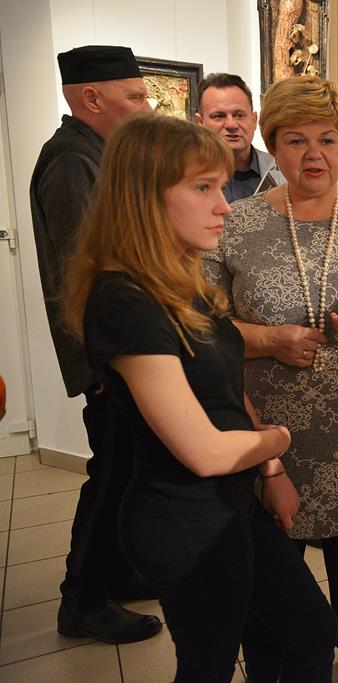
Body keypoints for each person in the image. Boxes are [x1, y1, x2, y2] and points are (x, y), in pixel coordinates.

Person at [63, 113, 337, 682]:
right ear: (145, 197)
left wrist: (270, 469)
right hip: (184, 522)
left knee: (309, 632)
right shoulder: (124, 303)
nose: (224, 206)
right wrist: (280, 440)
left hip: (232, 504)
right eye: (203, 187)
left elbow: (227, 391)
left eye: (221, 186)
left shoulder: (181, 285)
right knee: (209, 666)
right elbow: (205, 452)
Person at [203, 75, 338, 683]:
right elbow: (203, 327)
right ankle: (272, 661)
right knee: (272, 568)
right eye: (296, 140)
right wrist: (270, 339)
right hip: (269, 435)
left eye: (327, 139)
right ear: (272, 145)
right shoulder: (237, 223)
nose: (313, 155)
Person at [29, 44, 161, 643]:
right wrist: (107, 363)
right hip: (108, 355)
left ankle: (117, 571)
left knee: (126, 471)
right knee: (110, 474)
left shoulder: (99, 156)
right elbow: (85, 270)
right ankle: (81, 600)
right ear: (91, 98)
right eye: (135, 96)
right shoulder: (70, 160)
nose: (145, 106)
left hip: (118, 349)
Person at [195, 72, 284, 201]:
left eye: (239, 115)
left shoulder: (284, 171)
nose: (231, 125)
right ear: (200, 123)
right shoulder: (181, 176)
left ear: (254, 120)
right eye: (219, 116)